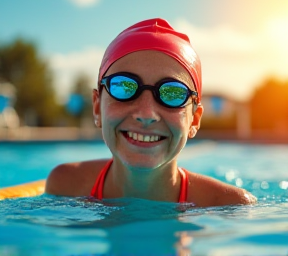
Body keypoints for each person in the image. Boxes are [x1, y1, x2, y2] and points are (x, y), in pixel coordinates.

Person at [45, 18, 257, 207]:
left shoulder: (227, 207)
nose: (146, 114)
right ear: (97, 106)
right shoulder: (65, 185)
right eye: (124, 87)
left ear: (194, 120)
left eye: (172, 93)